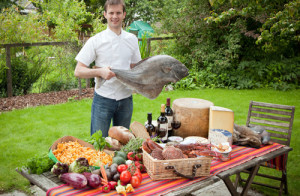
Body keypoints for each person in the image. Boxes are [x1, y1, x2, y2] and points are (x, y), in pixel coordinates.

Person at [74, 0, 141, 137]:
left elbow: (136, 68)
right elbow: (78, 71)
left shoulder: (132, 39)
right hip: (103, 100)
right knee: (99, 143)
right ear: (105, 14)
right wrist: (100, 72)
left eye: (118, 13)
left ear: (124, 14)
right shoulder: (95, 40)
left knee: (123, 145)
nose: (114, 16)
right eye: (111, 13)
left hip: (126, 99)